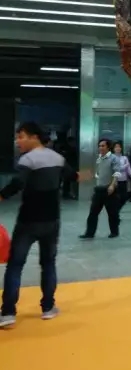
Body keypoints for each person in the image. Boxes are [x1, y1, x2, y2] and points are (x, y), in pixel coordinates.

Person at [0, 122, 66, 329]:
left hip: (28, 221)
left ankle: (8, 313)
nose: (17, 141)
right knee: (48, 264)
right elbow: (72, 176)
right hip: (52, 221)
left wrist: (1, 196)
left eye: (21, 136)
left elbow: (17, 183)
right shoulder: (58, 158)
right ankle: (48, 307)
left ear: (34, 137)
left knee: (15, 265)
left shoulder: (27, 160)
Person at [79, 139, 119, 239]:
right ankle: (89, 233)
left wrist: (112, 185)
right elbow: (98, 173)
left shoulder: (113, 158)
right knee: (93, 212)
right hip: (99, 190)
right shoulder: (99, 158)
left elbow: (117, 173)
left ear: (108, 147)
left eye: (103, 146)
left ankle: (114, 232)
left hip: (109, 190)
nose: (100, 148)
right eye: (99, 146)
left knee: (112, 213)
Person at [111, 141, 131, 210]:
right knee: (115, 197)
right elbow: (116, 169)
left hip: (123, 180)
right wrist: (125, 166)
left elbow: (129, 168)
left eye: (119, 147)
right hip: (114, 181)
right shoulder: (111, 158)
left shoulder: (124, 158)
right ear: (113, 149)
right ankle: (115, 211)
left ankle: (116, 209)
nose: (118, 148)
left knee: (124, 197)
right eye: (116, 147)